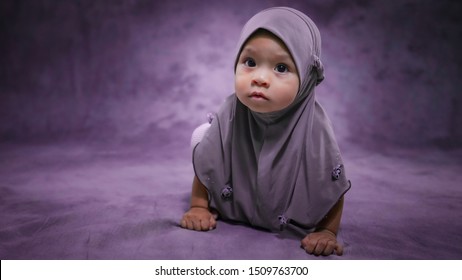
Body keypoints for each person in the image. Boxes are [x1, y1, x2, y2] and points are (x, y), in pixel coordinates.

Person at [180, 7, 351, 256]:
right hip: (233, 199)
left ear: (307, 76)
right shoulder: (231, 110)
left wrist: (326, 231)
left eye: (281, 68)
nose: (260, 77)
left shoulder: (314, 125)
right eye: (250, 62)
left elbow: (330, 184)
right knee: (203, 137)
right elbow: (210, 161)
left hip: (288, 212)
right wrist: (198, 206)